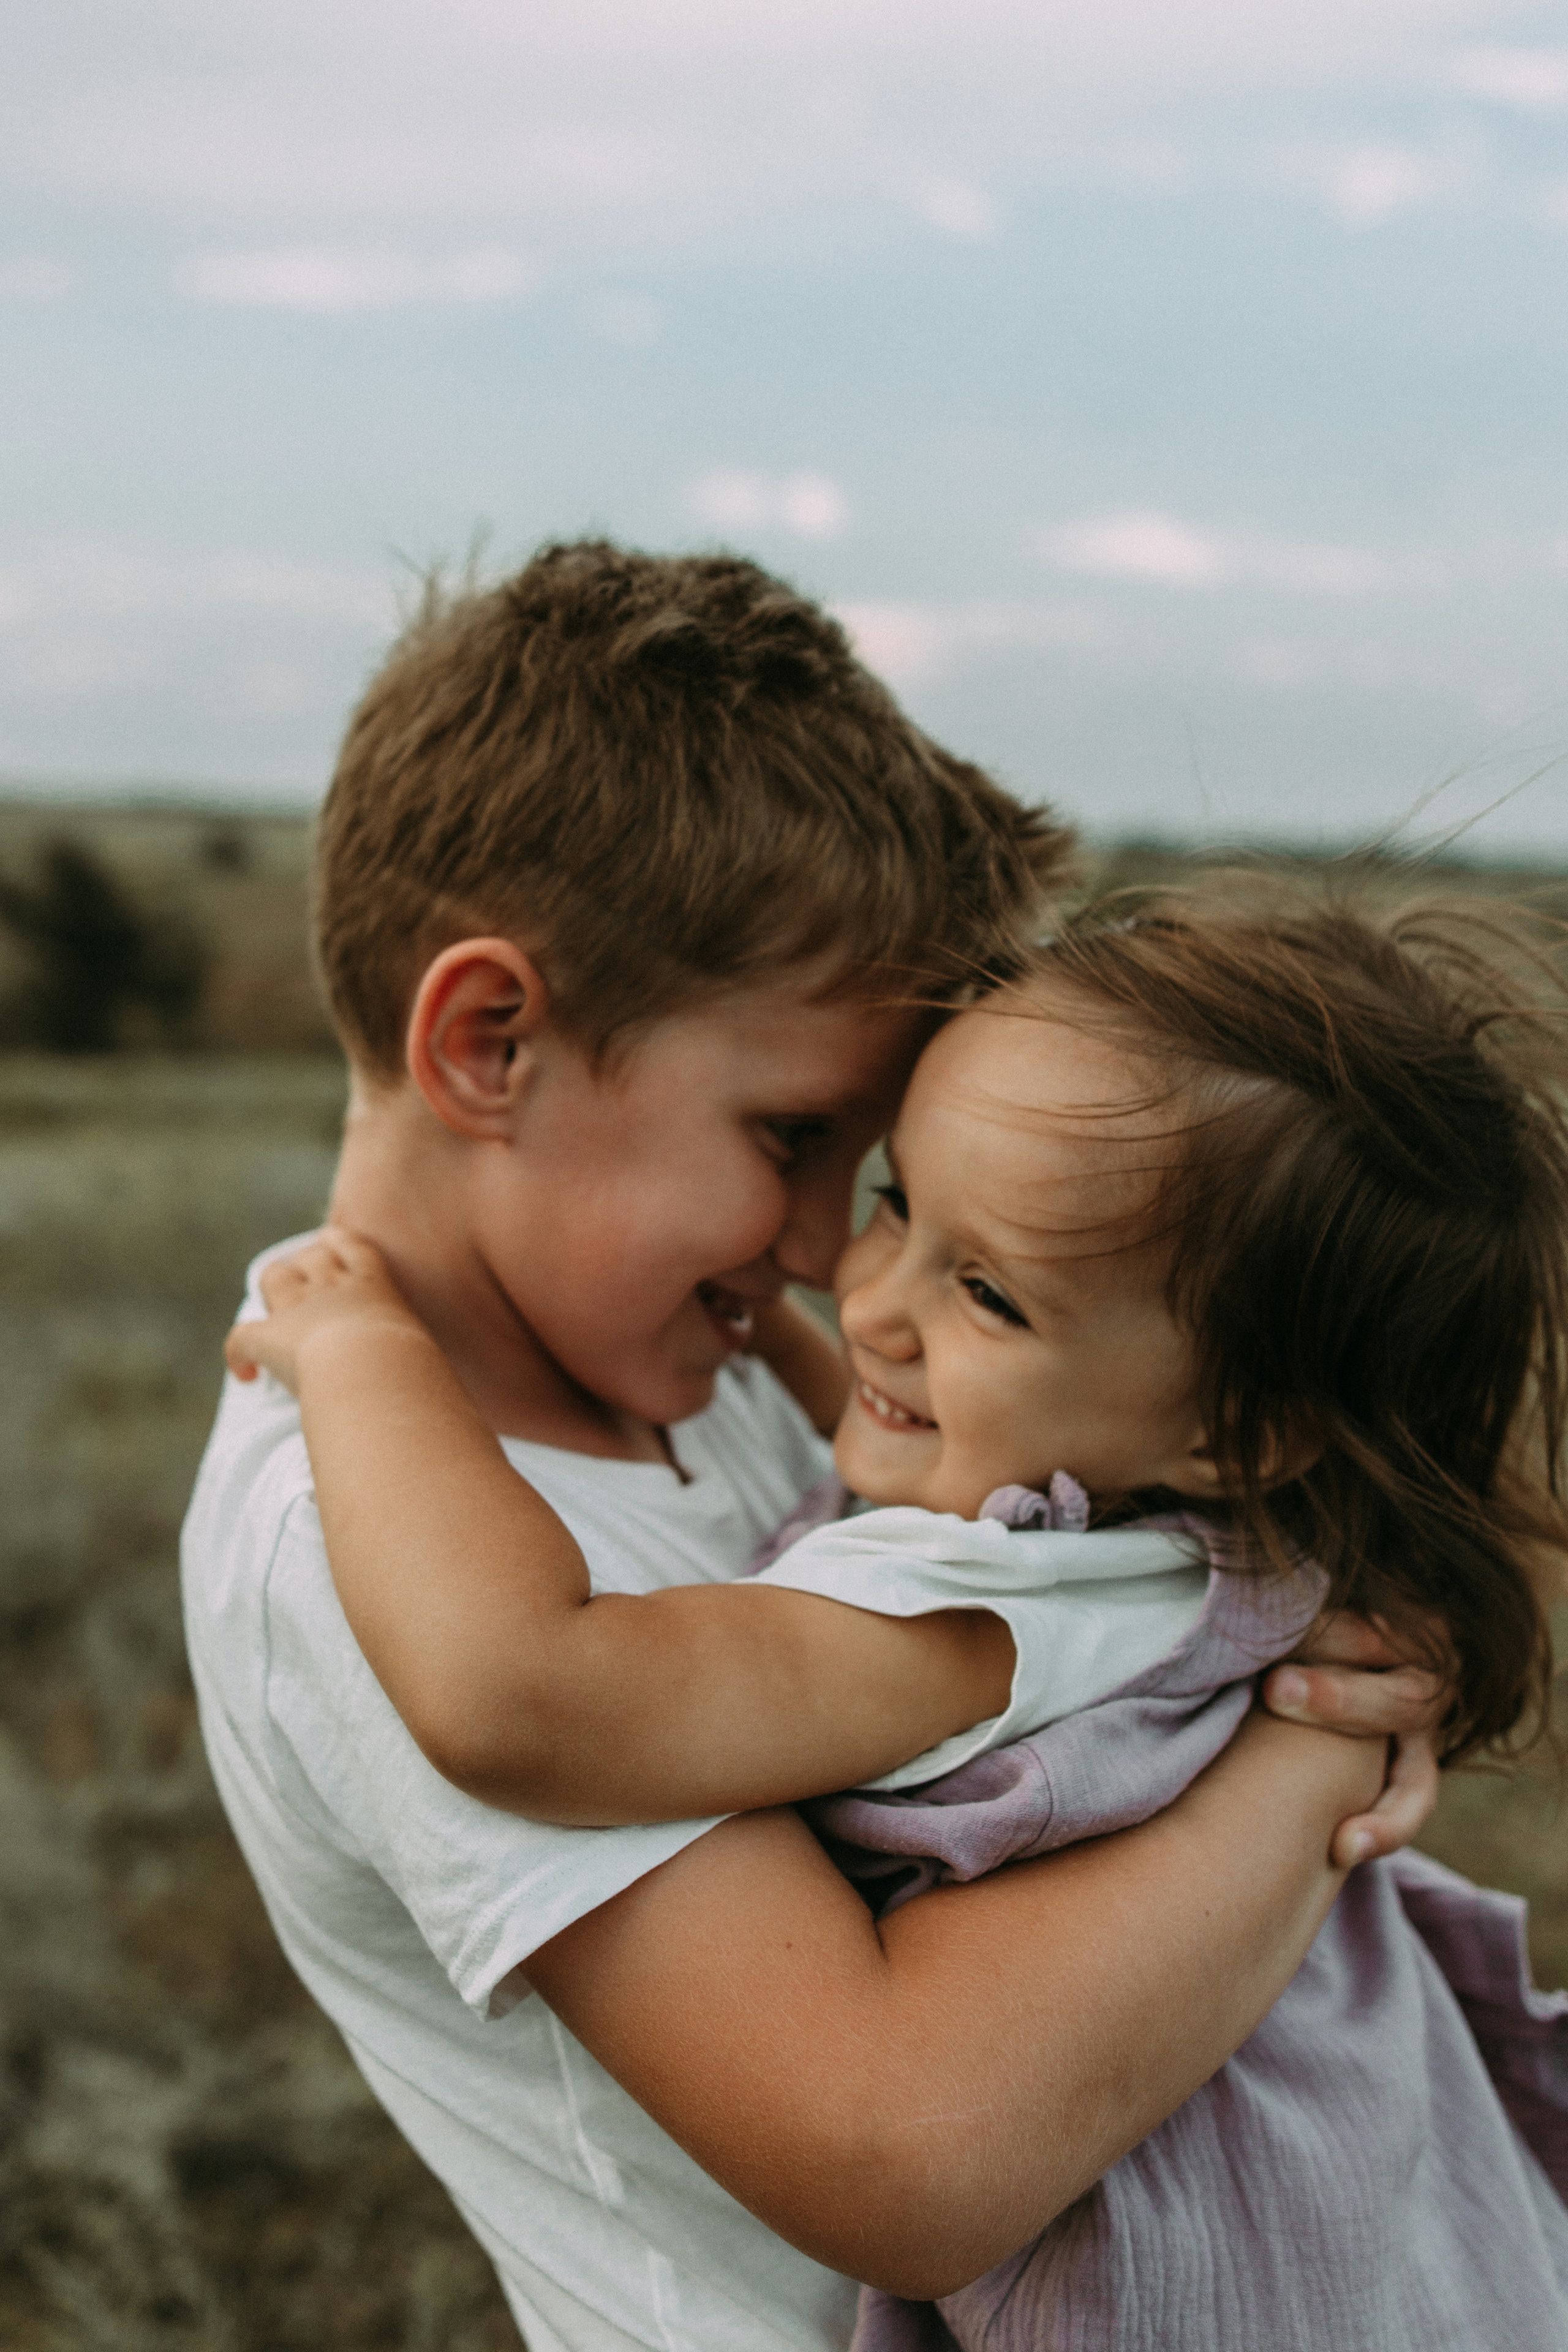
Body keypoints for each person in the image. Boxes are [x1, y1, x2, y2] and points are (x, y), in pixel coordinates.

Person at [186, 541, 1438, 2352]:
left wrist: (1366, 1641)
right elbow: (906, 2160)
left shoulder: (693, 1366)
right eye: (789, 1140)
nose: (826, 1255)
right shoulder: (373, 1543)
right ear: (489, 1042)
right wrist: (1305, 1776)